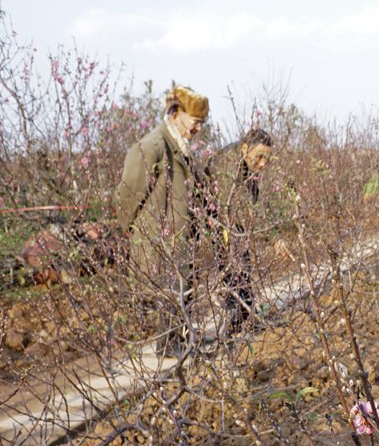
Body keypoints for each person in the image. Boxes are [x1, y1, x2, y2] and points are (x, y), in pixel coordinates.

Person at [116, 84, 209, 356]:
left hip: (179, 239)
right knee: (171, 294)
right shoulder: (153, 147)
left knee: (182, 292)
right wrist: (134, 231)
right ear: (177, 114)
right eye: (196, 122)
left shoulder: (180, 147)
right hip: (160, 239)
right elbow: (128, 195)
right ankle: (170, 350)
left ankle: (177, 345)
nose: (198, 129)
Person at [203, 128, 274, 333]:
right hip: (217, 224)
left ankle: (245, 319)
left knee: (243, 269)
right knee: (233, 273)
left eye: (266, 159)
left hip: (232, 225)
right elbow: (232, 210)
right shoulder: (226, 164)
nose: (262, 164)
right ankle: (232, 328)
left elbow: (254, 204)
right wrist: (264, 235)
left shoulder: (247, 166)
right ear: (245, 149)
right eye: (259, 157)